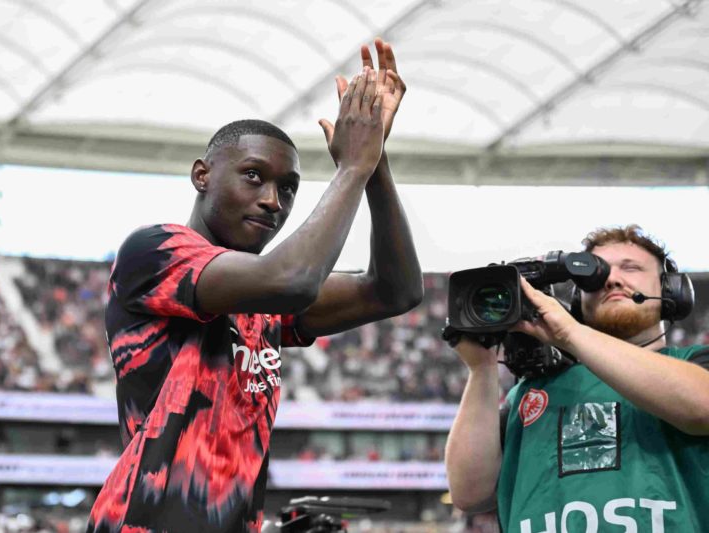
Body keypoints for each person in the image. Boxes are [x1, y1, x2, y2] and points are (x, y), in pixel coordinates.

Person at [87, 39, 422, 533]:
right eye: (253, 176)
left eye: (287, 188)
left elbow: (394, 291)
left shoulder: (260, 299)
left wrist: (374, 164)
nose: (273, 201)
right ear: (202, 176)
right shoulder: (153, 252)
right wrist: (352, 167)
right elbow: (292, 280)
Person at [445, 225, 709, 532]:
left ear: (670, 289)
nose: (611, 279)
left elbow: (701, 406)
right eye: (596, 275)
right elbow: (468, 493)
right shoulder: (530, 393)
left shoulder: (694, 363)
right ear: (576, 301)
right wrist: (482, 369)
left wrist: (569, 332)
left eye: (631, 267)